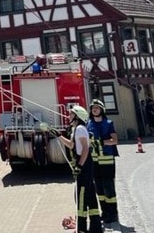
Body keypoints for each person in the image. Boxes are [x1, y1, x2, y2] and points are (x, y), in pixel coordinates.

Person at [58, 105, 103, 233]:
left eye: (71, 114)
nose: (68, 116)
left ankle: (82, 229)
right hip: (84, 164)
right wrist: (58, 136)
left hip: (85, 165)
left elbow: (85, 149)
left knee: (81, 196)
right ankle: (95, 228)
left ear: (77, 116)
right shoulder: (76, 129)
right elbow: (72, 145)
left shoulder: (81, 129)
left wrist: (79, 166)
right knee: (89, 195)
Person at [87, 99, 119, 224]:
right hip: (94, 160)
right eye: (93, 108)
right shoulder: (88, 124)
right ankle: (104, 212)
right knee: (98, 187)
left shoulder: (108, 123)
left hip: (107, 159)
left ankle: (113, 213)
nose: (94, 109)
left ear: (102, 110)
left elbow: (115, 140)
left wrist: (101, 142)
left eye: (97, 107)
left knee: (108, 186)